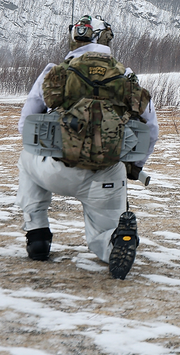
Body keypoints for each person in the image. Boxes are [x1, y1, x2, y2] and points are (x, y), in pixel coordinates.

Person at [17, 15, 159, 279]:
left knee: (27, 155)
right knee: (101, 236)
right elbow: (151, 130)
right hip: (107, 174)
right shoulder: (127, 77)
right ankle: (115, 242)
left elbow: (25, 124)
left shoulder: (55, 71)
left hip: (57, 172)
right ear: (106, 38)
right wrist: (135, 167)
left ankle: (37, 235)